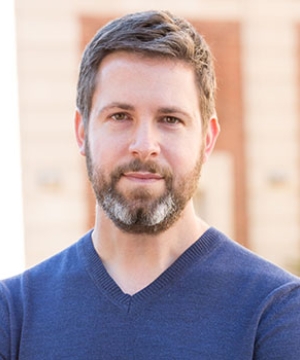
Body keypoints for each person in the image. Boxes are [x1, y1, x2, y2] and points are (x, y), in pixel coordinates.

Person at [0, 10, 299, 359]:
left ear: (206, 139)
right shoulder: (14, 315)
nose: (144, 144)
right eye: (120, 116)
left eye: (170, 119)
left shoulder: (276, 311)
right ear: (82, 132)